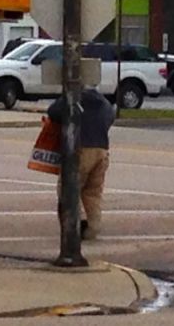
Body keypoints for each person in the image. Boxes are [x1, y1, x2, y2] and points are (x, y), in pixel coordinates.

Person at [47, 87, 116, 240]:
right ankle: (93, 228)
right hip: (101, 149)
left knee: (69, 189)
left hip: (80, 149)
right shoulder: (103, 102)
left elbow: (53, 112)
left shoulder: (72, 97)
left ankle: (73, 228)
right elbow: (111, 117)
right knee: (93, 193)